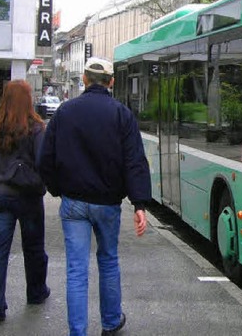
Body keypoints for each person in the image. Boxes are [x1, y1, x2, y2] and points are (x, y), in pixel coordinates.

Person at [38, 57, 151, 336]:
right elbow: (134, 160)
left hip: (73, 202)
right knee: (109, 260)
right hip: (108, 203)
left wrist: (57, 188)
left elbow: (44, 159)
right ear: (111, 82)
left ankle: (78, 331)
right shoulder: (121, 114)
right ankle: (111, 322)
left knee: (76, 270)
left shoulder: (65, 112)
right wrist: (139, 204)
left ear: (84, 80)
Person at [0, 80, 50, 322]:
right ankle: (36, 292)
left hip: (0, 196)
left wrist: (3, 169)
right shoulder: (37, 127)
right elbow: (43, 161)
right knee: (33, 248)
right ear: (28, 100)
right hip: (29, 197)